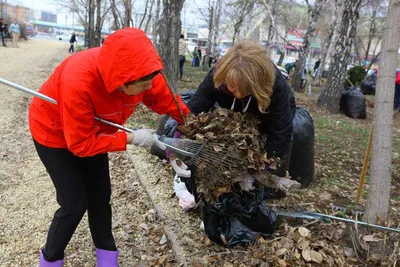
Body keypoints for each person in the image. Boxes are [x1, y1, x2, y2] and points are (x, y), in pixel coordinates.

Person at [28, 28, 190, 266]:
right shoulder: (80, 81)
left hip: (95, 132)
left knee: (100, 198)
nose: (149, 88)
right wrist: (131, 138)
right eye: (143, 86)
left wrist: (192, 127)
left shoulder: (142, 72)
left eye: (150, 83)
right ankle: (51, 260)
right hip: (53, 132)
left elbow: (166, 101)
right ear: (121, 82)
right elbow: (81, 144)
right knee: (74, 203)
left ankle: (106, 257)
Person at [187, 40, 296, 175]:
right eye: (233, 90)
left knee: (262, 140)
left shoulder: (274, 85)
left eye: (244, 91)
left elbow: (280, 128)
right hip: (238, 107)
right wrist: (181, 133)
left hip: (264, 108)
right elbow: (196, 106)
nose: (238, 95)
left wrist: (268, 161)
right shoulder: (218, 75)